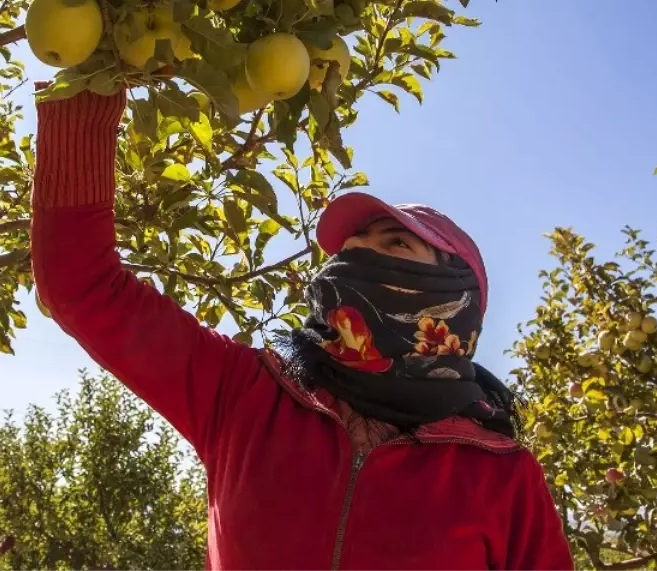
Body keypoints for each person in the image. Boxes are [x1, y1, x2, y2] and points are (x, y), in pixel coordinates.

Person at [31, 87, 572, 569]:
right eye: (351, 252)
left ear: (453, 304)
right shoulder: (245, 395)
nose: (356, 265)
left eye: (395, 246)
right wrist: (83, 91)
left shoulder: (503, 478)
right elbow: (81, 287)